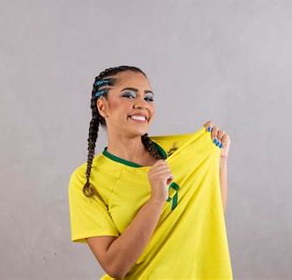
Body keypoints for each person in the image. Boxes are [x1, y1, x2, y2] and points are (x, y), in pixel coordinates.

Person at [68, 65, 232, 279]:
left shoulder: (179, 151)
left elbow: (211, 212)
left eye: (149, 98)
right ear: (103, 107)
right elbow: (115, 266)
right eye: (129, 95)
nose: (141, 105)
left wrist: (219, 160)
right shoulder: (87, 180)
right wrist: (156, 200)